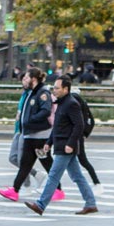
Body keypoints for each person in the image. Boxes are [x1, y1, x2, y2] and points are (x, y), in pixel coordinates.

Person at [23, 76, 98, 216]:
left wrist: (71, 144)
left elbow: (79, 125)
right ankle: (91, 203)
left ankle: (40, 205)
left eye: (57, 88)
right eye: (54, 88)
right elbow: (58, 126)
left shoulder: (71, 103)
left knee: (53, 176)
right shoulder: (62, 103)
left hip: (65, 146)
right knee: (77, 176)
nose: (54, 90)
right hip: (61, 144)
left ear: (66, 89)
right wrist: (49, 143)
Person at [1, 68, 61, 203]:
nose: (24, 80)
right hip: (31, 135)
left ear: (33, 79)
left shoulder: (42, 93)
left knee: (46, 163)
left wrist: (30, 119)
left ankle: (58, 189)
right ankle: (15, 190)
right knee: (25, 164)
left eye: (27, 78)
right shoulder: (32, 93)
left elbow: (45, 111)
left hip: (40, 136)